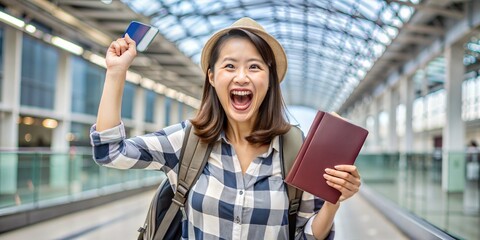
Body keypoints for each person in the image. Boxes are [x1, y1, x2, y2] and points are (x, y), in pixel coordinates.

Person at [90, 17, 361, 239]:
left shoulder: (294, 147)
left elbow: (307, 235)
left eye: (254, 67)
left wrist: (333, 199)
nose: (241, 77)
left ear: (269, 80)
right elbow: (111, 152)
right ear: (212, 76)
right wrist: (116, 72)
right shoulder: (187, 140)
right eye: (229, 66)